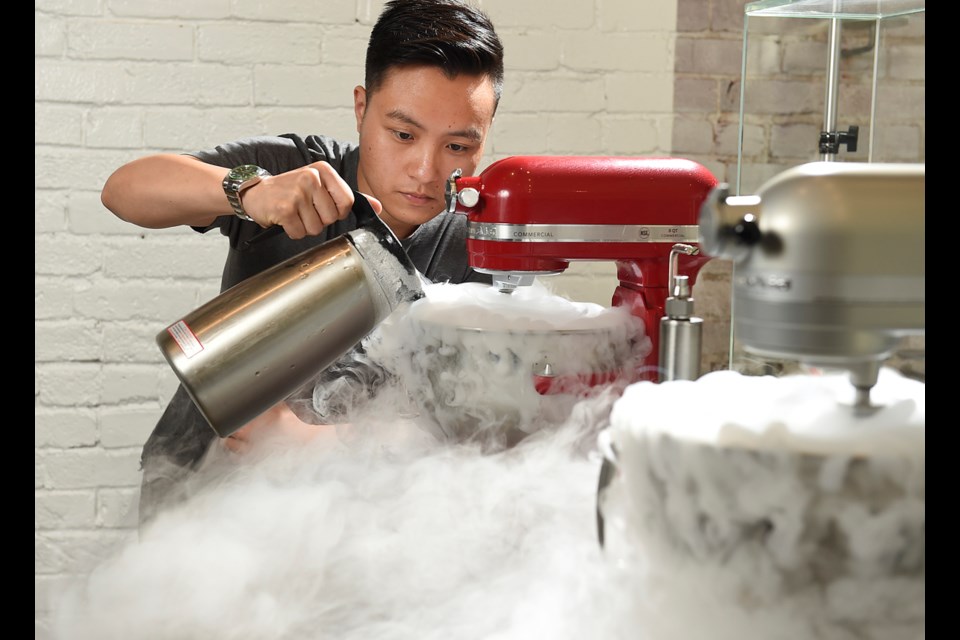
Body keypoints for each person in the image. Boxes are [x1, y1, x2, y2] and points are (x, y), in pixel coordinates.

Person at [100, 0, 504, 529]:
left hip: (354, 530)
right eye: (403, 135)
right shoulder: (293, 170)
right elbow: (124, 191)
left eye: (456, 145)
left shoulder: (487, 244)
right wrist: (248, 191)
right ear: (362, 108)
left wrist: (321, 446)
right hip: (197, 507)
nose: (426, 170)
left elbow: (474, 427)